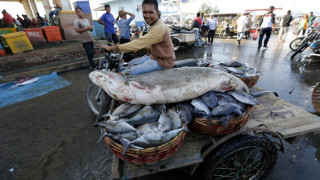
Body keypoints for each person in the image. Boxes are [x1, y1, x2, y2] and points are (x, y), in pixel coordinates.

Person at [100, 0, 175, 75]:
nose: (147, 15)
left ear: (157, 12)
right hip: (154, 57)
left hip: (163, 62)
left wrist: (111, 48)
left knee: (125, 73)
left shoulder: (159, 27)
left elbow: (140, 42)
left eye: (151, 12)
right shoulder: (153, 24)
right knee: (129, 63)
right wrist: (139, 48)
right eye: (145, 12)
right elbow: (149, 42)